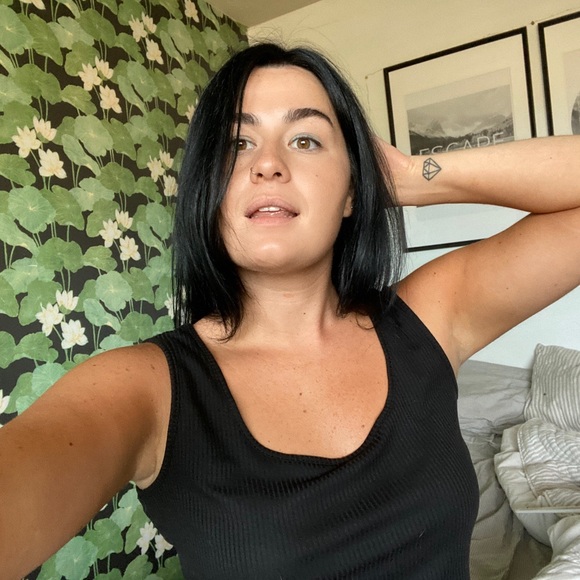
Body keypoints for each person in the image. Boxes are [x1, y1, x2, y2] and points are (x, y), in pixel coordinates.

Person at [1, 42, 580, 579]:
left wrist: (407, 177)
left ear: (351, 190)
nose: (268, 164)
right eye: (238, 144)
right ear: (208, 190)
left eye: (305, 140)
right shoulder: (145, 387)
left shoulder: (429, 316)